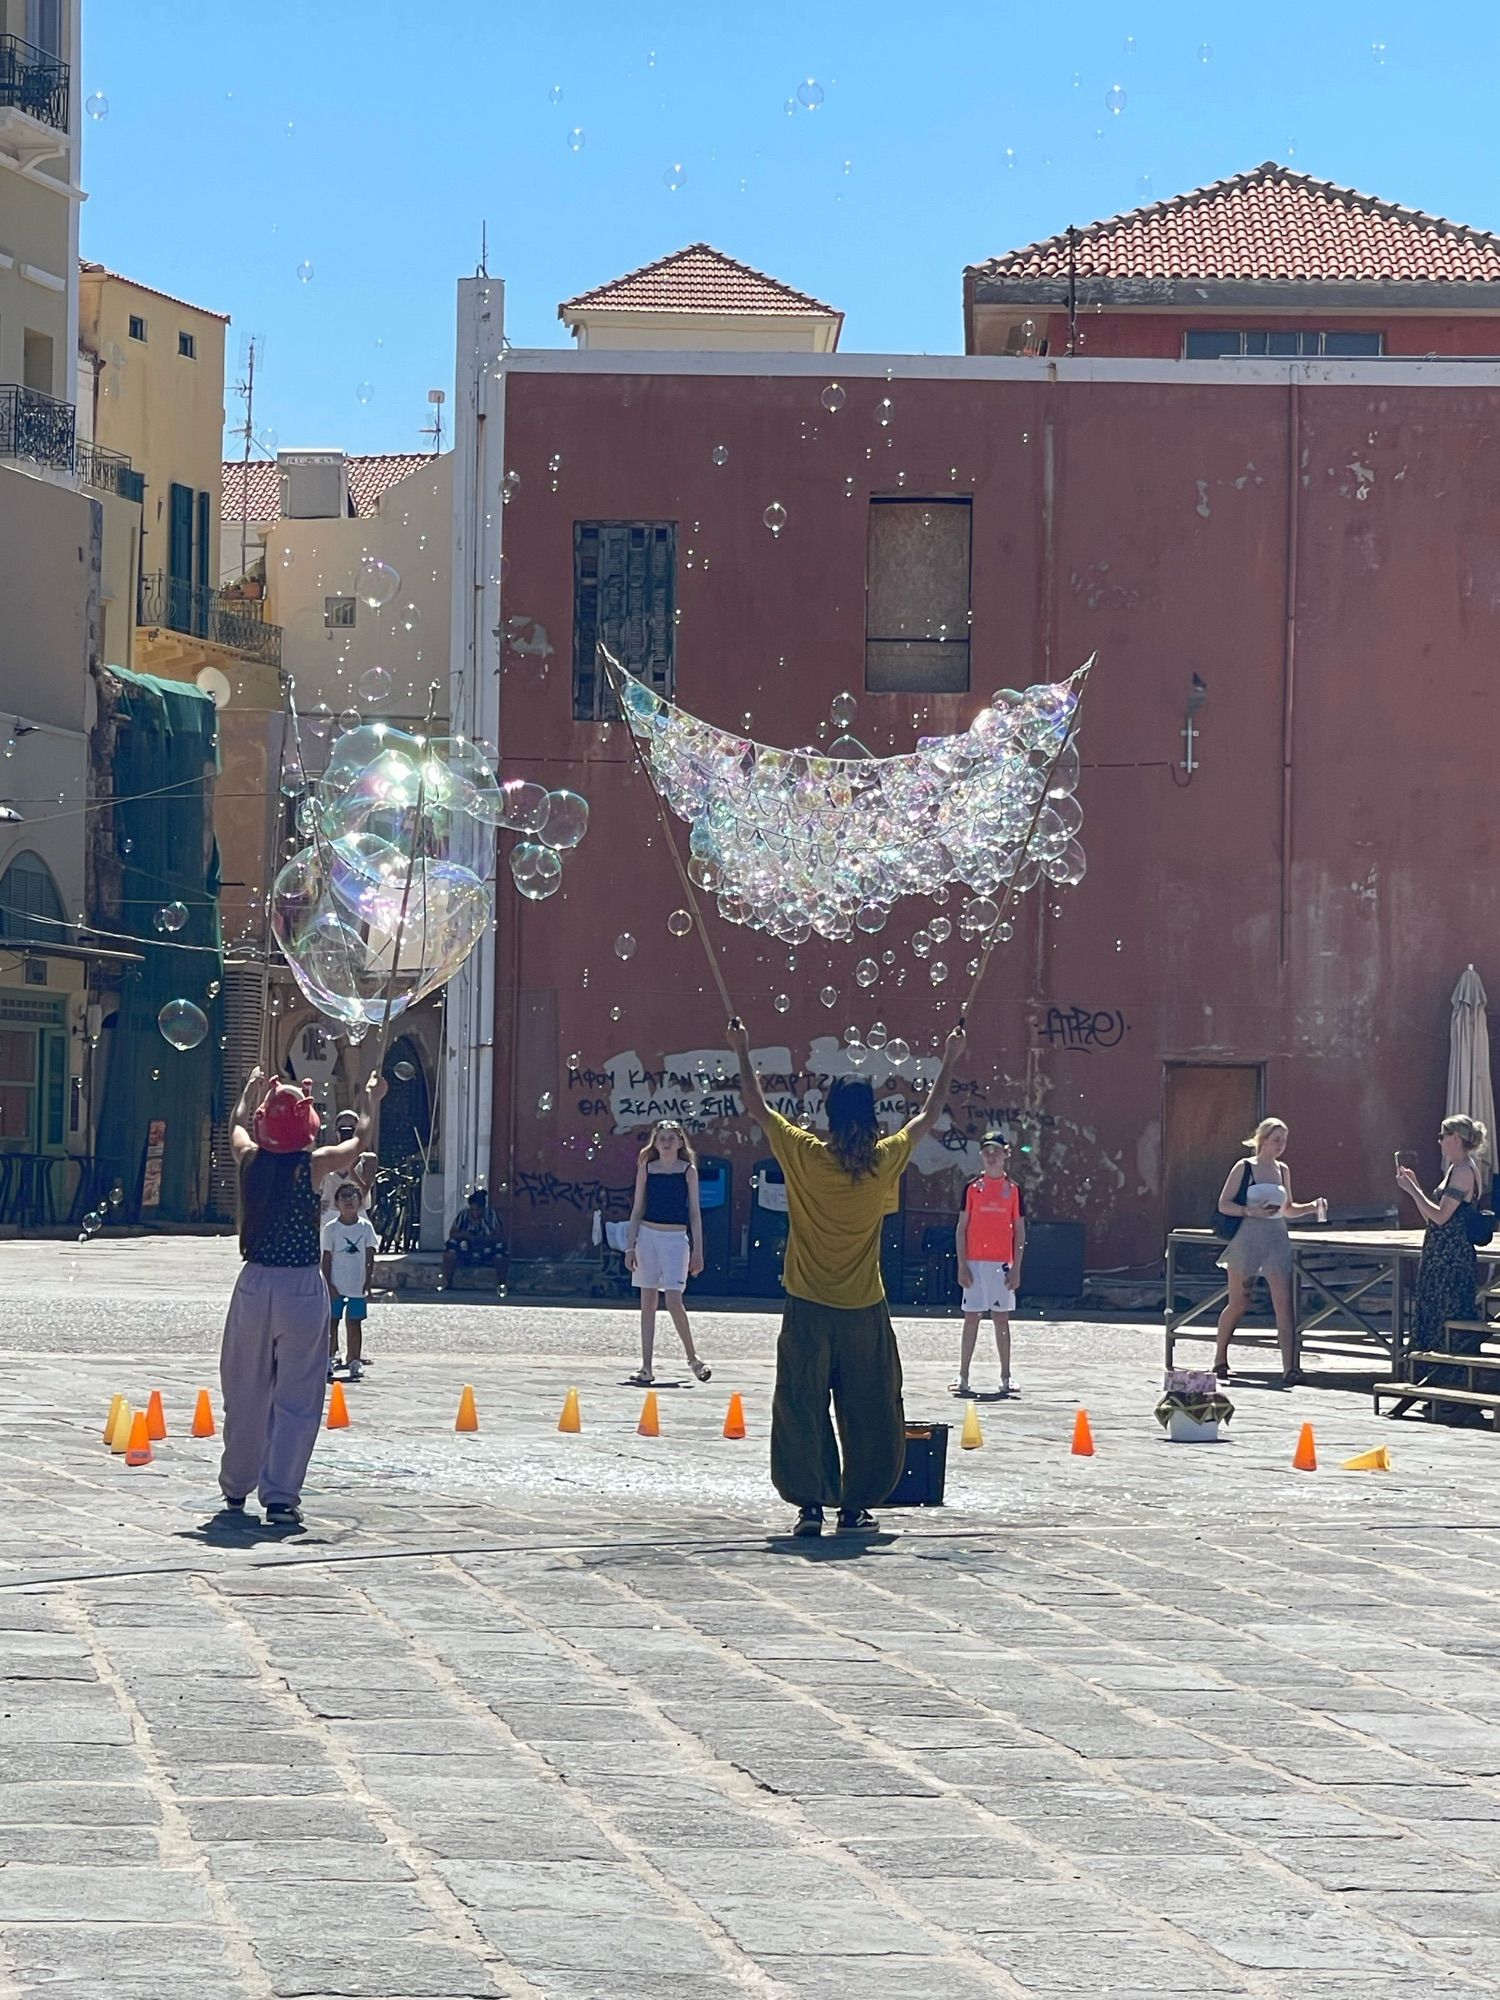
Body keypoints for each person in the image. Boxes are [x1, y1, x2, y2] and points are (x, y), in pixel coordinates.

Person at [728, 1015, 968, 1538]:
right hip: (864, 1309)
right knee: (870, 1407)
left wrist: (742, 1049)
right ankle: (856, 1506)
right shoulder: (883, 1161)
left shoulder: (805, 1155)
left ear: (828, 1116)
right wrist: (949, 1060)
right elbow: (928, 1115)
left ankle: (810, 1506)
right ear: (873, 1117)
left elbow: (757, 1105)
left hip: (807, 1306)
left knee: (801, 1403)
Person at [220, 1067, 387, 1527]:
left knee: (244, 1387)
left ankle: (236, 1485)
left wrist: (247, 1094)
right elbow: (359, 1143)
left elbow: (234, 1127)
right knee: (297, 1392)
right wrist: (371, 1098)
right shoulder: (311, 1165)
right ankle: (280, 1494)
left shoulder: (249, 1158)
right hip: (299, 1284)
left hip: (254, 1282)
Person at [1212, 1116, 1325, 1388]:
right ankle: (1219, 1357)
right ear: (1262, 1140)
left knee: (1284, 1304)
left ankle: (1289, 1367)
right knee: (1239, 1301)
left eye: (1284, 1141)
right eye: (1276, 1140)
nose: (1281, 1146)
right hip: (1247, 1238)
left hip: (1276, 1238)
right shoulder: (1245, 1168)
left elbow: (1287, 1209)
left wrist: (1310, 1207)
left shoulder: (1283, 1170)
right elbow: (1223, 1204)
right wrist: (1250, 1211)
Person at [1398, 1115, 1488, 1423]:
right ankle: (1434, 1383)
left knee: (1447, 1313)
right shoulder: (1454, 1169)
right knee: (1434, 1312)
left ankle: (1453, 1384)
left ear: (1457, 1138)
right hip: (1440, 1252)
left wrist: (1412, 1189)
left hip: (1451, 1257)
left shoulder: (1463, 1171)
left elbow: (1440, 1216)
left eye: (1443, 1135)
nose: (1438, 1140)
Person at [624, 1119, 709, 1386]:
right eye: (662, 1138)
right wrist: (630, 1246)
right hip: (648, 1235)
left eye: (672, 1138)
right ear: (655, 1142)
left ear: (681, 1142)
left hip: (675, 1238)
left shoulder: (688, 1171)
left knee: (673, 1300)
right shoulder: (646, 1169)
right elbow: (637, 1209)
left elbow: (695, 1213)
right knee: (647, 1302)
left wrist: (698, 1250)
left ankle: (693, 1358)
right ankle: (646, 1367)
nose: (667, 1142)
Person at [953, 1130, 1026, 1399]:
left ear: (1006, 1153)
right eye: (986, 1151)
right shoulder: (972, 1188)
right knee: (971, 1317)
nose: (991, 1156)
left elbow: (1019, 1230)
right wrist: (962, 1264)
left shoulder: (1013, 1190)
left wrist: (1016, 1266)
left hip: (1001, 1264)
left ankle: (1006, 1377)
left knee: (1001, 1319)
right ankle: (963, 1376)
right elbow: (962, 1228)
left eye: (996, 1150)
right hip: (974, 1262)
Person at [321, 1183, 378, 1383]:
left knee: (354, 1323)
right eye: (343, 1197)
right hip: (336, 1283)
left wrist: (368, 1283)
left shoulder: (365, 1227)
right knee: (331, 1323)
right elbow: (326, 1258)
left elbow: (370, 1256)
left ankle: (354, 1359)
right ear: (336, 1203)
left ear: (360, 1202)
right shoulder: (331, 1229)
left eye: (352, 1196)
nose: (348, 1201)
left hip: (357, 1284)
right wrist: (328, 1284)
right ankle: (328, 1358)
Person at [441, 1189, 507, 1290]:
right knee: (450, 1247)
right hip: (466, 1248)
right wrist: (465, 1235)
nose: (475, 1213)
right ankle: (447, 1282)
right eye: (472, 1210)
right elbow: (452, 1234)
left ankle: (502, 1283)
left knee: (500, 1251)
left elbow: (499, 1235)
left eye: (478, 1210)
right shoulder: (463, 1215)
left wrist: (485, 1239)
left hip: (487, 1247)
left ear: (483, 1208)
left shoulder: (491, 1215)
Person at [319, 1110, 378, 1215]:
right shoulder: (324, 1158)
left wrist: (351, 1168)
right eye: (342, 1128)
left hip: (358, 1218)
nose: (346, 1132)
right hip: (329, 1219)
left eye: (352, 1128)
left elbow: (365, 1194)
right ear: (336, 1132)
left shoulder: (367, 1159)